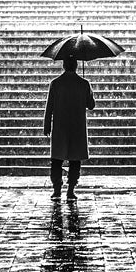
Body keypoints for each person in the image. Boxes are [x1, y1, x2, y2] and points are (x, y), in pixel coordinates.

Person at [44, 55, 94, 199]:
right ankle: (71, 189)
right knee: (75, 160)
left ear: (64, 65)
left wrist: (46, 125)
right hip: (77, 127)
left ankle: (57, 189)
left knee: (56, 160)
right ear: (77, 66)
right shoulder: (84, 83)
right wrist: (89, 91)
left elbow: (49, 107)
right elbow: (91, 105)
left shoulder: (56, 83)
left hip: (60, 126)